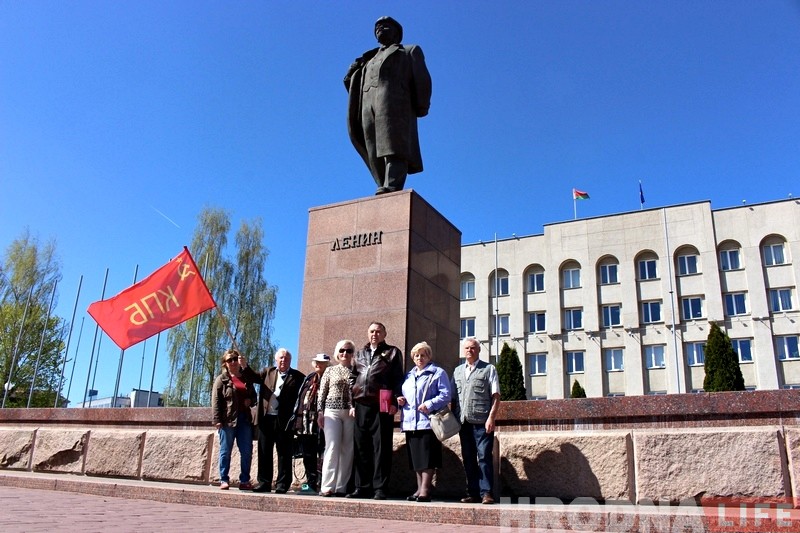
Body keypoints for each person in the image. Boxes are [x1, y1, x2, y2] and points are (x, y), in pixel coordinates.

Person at [344, 16, 432, 195]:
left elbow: (423, 79)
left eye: (386, 26)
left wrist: (422, 105)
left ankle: (392, 183)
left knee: (394, 145)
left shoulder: (408, 51)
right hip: (367, 105)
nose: (380, 29)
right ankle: (382, 183)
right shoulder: (367, 60)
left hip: (394, 106)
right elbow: (352, 86)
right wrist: (353, 72)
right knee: (371, 146)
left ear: (397, 33)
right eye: (377, 27)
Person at [348, 321, 404, 499]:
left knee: (381, 448)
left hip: (382, 404)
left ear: (384, 334)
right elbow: (352, 379)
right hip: (360, 404)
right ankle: (362, 486)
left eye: (378, 331)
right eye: (372, 331)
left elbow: (398, 378)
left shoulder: (393, 352)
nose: (374, 334)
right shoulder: (359, 354)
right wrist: (351, 404)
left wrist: (395, 400)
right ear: (367, 334)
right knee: (361, 447)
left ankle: (380, 487)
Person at [240, 348, 304, 493]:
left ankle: (282, 484)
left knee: (284, 454)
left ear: (290, 361)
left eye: (286, 358)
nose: (283, 360)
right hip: (266, 419)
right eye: (281, 358)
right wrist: (244, 366)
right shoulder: (267, 372)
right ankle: (264, 483)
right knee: (264, 452)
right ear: (276, 360)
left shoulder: (298, 377)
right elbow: (252, 377)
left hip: (285, 421)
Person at [396, 341, 451, 503]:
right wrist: (400, 400)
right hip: (410, 422)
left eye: (423, 355)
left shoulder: (437, 373)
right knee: (416, 458)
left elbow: (446, 395)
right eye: (417, 355)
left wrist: (429, 404)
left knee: (428, 458)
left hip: (428, 422)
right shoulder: (409, 375)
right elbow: (406, 394)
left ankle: (426, 490)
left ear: (429, 356)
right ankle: (419, 488)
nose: (420, 358)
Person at [451, 338, 501, 505]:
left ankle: (486, 493)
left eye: (473, 348)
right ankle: (473, 492)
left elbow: (496, 396)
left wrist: (491, 418)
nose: (469, 351)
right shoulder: (457, 371)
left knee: (484, 457)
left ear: (478, 350)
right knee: (468, 458)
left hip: (482, 421)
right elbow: (452, 397)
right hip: (463, 422)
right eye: (466, 348)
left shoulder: (488, 369)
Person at [211, 349, 257, 490]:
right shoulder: (221, 380)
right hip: (228, 420)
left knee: (246, 451)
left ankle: (244, 480)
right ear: (225, 363)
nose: (233, 362)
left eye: (235, 359)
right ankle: (224, 479)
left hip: (244, 420)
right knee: (225, 451)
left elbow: (255, 397)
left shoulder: (246, 378)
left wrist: (250, 400)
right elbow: (216, 401)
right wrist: (217, 420)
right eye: (230, 360)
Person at [317, 340, 356, 497]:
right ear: (337, 352)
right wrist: (320, 412)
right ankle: (327, 486)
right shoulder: (330, 370)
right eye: (341, 350)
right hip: (331, 411)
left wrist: (354, 406)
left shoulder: (357, 370)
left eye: (348, 350)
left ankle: (341, 486)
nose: (344, 353)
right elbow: (322, 392)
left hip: (349, 412)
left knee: (348, 448)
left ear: (352, 353)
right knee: (332, 447)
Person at [288, 353, 330, 494]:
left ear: (327, 364)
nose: (319, 364)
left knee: (323, 453)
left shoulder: (329, 377)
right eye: (317, 361)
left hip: (323, 422)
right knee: (307, 454)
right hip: (305, 423)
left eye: (322, 362)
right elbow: (300, 399)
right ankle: (310, 484)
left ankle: (324, 483)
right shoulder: (309, 378)